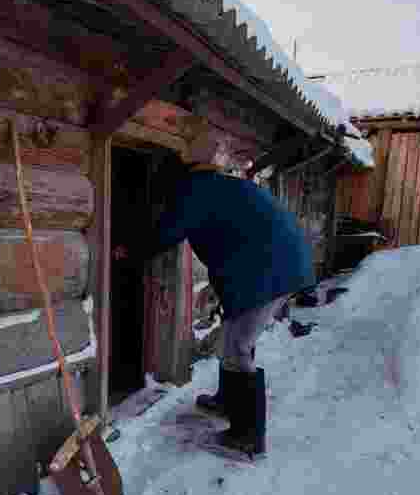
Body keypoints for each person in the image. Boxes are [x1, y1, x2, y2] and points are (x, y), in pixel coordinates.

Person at [114, 155, 315, 457]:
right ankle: (227, 402)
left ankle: (248, 438)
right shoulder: (216, 187)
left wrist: (129, 251)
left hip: (271, 271)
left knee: (238, 347)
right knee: (232, 338)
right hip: (270, 266)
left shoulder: (193, 191)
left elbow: (167, 233)